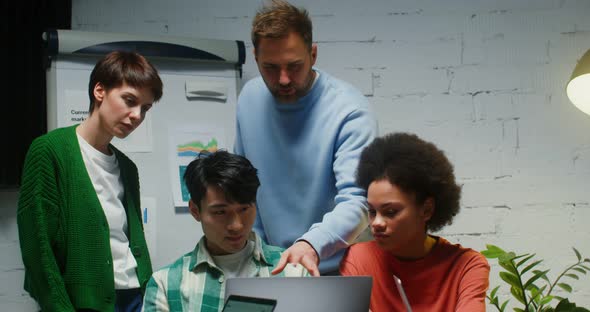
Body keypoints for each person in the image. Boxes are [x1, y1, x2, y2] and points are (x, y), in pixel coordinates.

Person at [234, 0, 377, 276]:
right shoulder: (249, 100)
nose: (284, 79)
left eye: (294, 66)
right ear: (256, 59)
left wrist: (310, 244)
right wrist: (260, 257)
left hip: (337, 271)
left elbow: (358, 202)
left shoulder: (350, 110)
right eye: (271, 68)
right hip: (273, 269)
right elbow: (244, 189)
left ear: (313, 54)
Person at [17, 50, 163, 312]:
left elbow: (129, 241)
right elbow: (38, 250)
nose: (137, 115)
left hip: (135, 298)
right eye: (129, 100)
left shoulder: (128, 168)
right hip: (82, 303)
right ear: (99, 91)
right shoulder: (50, 151)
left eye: (145, 108)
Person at [340, 132, 490, 311]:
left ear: (426, 209)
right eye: (372, 211)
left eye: (390, 212)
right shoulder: (358, 259)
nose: (376, 222)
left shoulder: (466, 266)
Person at [142, 151, 307, 312]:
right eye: (220, 212)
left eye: (244, 209)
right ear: (195, 210)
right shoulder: (166, 284)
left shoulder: (293, 270)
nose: (236, 226)